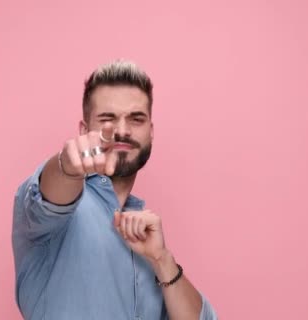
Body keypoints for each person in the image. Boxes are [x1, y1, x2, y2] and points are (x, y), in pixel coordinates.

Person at [12, 60, 217, 319]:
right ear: (84, 131)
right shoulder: (56, 205)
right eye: (107, 119)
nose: (121, 130)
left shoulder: (145, 234)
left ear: (150, 132)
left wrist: (162, 260)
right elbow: (47, 199)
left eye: (136, 119)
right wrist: (66, 165)